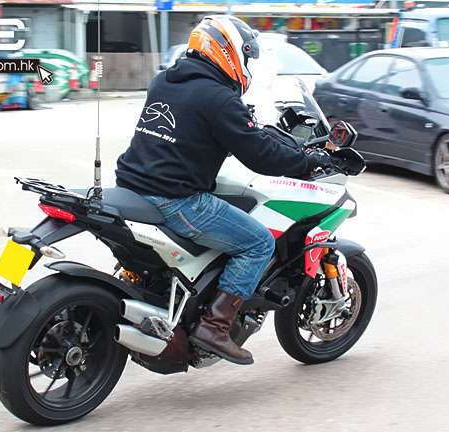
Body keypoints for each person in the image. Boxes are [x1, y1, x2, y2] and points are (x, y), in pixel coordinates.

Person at [115, 15, 336, 365]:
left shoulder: (166, 81)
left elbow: (192, 132)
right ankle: (214, 326)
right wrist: (307, 162)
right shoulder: (218, 99)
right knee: (258, 242)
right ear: (228, 52)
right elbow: (261, 156)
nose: (247, 64)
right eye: (246, 55)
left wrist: (237, 131)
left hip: (131, 187)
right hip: (176, 200)